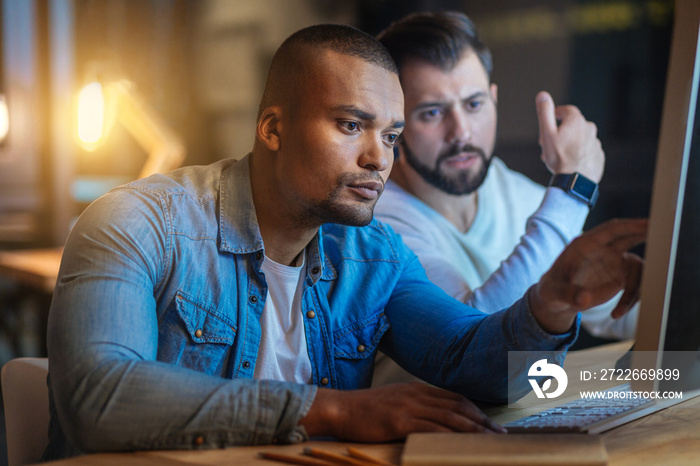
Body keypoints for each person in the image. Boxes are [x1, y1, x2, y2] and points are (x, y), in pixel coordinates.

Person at [43, 23, 645, 460]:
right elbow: (98, 396)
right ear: (273, 128)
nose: (376, 158)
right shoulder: (134, 222)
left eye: (390, 136)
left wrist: (554, 301)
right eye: (351, 125)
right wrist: (331, 410)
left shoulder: (372, 253)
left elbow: (473, 363)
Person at [372, 12, 636, 359]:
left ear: (494, 99)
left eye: (474, 104)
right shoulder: (376, 222)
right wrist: (574, 188)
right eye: (432, 112)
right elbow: (473, 339)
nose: (462, 132)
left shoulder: (524, 197)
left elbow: (616, 314)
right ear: (395, 121)